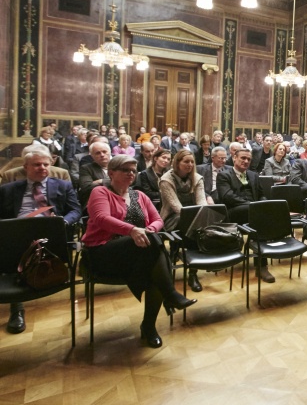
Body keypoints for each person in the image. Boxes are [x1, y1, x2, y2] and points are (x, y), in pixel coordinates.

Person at [82, 155, 196, 348]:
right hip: (103, 251)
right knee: (156, 253)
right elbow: (101, 218)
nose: (131, 174)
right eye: (125, 170)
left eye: (134, 170)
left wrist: (150, 229)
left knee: (155, 270)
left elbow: (158, 219)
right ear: (111, 173)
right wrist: (132, 230)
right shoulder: (100, 192)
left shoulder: (139, 195)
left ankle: (149, 326)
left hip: (140, 253)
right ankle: (170, 294)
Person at [0, 149, 81, 334]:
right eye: (37, 164)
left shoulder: (62, 186)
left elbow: (76, 211)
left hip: (51, 233)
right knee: (13, 243)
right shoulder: (8, 190)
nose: (42, 168)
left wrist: (62, 222)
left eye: (46, 164)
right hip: (17, 233)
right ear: (25, 167)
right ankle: (17, 308)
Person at [217, 149, 271, 281]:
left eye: (248, 159)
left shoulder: (253, 175)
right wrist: (253, 205)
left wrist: (262, 203)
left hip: (253, 213)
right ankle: (261, 264)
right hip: (233, 213)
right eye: (243, 158)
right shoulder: (224, 175)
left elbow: (261, 194)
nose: (246, 161)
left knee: (262, 218)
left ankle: (261, 266)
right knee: (260, 216)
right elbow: (227, 197)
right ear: (234, 158)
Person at [159, 150, 207, 292]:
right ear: (177, 162)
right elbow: (176, 207)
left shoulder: (197, 178)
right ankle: (189, 265)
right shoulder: (166, 180)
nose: (190, 164)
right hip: (172, 217)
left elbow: (202, 202)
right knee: (194, 229)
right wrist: (196, 218)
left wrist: (202, 215)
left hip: (193, 217)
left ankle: (192, 272)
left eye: (192, 161)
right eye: (186, 161)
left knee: (198, 226)